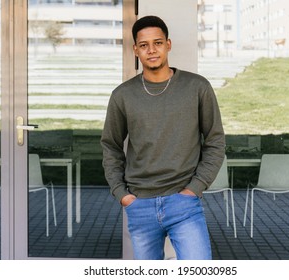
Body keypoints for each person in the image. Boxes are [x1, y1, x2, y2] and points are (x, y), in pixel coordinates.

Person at [101, 15, 225, 260]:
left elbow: (215, 141)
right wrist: (123, 195)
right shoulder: (122, 95)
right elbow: (111, 147)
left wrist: (194, 189)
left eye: (157, 43)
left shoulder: (197, 87)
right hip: (140, 204)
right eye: (144, 45)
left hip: (184, 203)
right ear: (135, 50)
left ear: (168, 44)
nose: (152, 50)